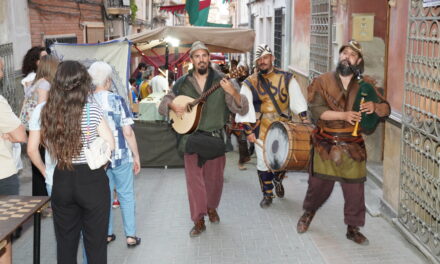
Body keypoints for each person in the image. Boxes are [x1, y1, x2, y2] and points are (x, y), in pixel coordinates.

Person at [296, 40, 390, 245]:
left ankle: (353, 228)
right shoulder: (322, 81)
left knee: (355, 190)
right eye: (344, 53)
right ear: (339, 56)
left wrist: (375, 106)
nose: (347, 57)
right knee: (318, 185)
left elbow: (386, 109)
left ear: (359, 61)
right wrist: (344, 114)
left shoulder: (366, 85)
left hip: (353, 145)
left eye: (352, 55)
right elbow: (316, 111)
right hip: (326, 143)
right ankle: (308, 213)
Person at [158, 41, 249, 237]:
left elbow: (242, 108)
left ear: (209, 58)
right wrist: (173, 105)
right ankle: (198, 219)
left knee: (214, 181)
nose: (201, 59)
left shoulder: (224, 80)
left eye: (204, 56)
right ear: (191, 60)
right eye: (197, 56)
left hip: (215, 138)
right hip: (190, 139)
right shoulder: (182, 82)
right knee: (194, 182)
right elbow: (163, 103)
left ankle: (211, 207)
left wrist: (233, 92)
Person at [40, 60, 115, 263]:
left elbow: (47, 144)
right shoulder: (92, 110)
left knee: (65, 245)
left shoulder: (49, 112)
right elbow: (110, 143)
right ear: (83, 84)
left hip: (62, 178)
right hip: (92, 180)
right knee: (96, 245)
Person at [236, 44, 309, 208]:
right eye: (259, 59)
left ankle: (277, 178)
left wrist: (305, 121)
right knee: (263, 163)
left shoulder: (287, 78)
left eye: (265, 58)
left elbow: (297, 100)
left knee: (283, 161)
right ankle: (267, 194)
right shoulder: (250, 82)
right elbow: (244, 107)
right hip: (261, 127)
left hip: (284, 128)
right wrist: (248, 130)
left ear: (272, 58)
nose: (262, 62)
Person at [88, 61, 142, 247]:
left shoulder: (86, 101)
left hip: (97, 159)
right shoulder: (117, 100)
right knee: (126, 194)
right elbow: (127, 132)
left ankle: (107, 233)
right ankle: (131, 235)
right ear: (109, 80)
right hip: (120, 156)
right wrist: (136, 156)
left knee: (104, 197)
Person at [0, 57, 27, 263]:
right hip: (2, 174)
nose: (2, 74)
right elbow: (20, 135)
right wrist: (8, 134)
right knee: (4, 237)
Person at [20, 46, 48, 198]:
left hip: (35, 125)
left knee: (39, 161)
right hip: (37, 125)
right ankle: (41, 201)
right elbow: (40, 105)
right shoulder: (33, 79)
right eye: (44, 58)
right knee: (40, 162)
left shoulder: (36, 78)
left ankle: (40, 200)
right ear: (36, 62)